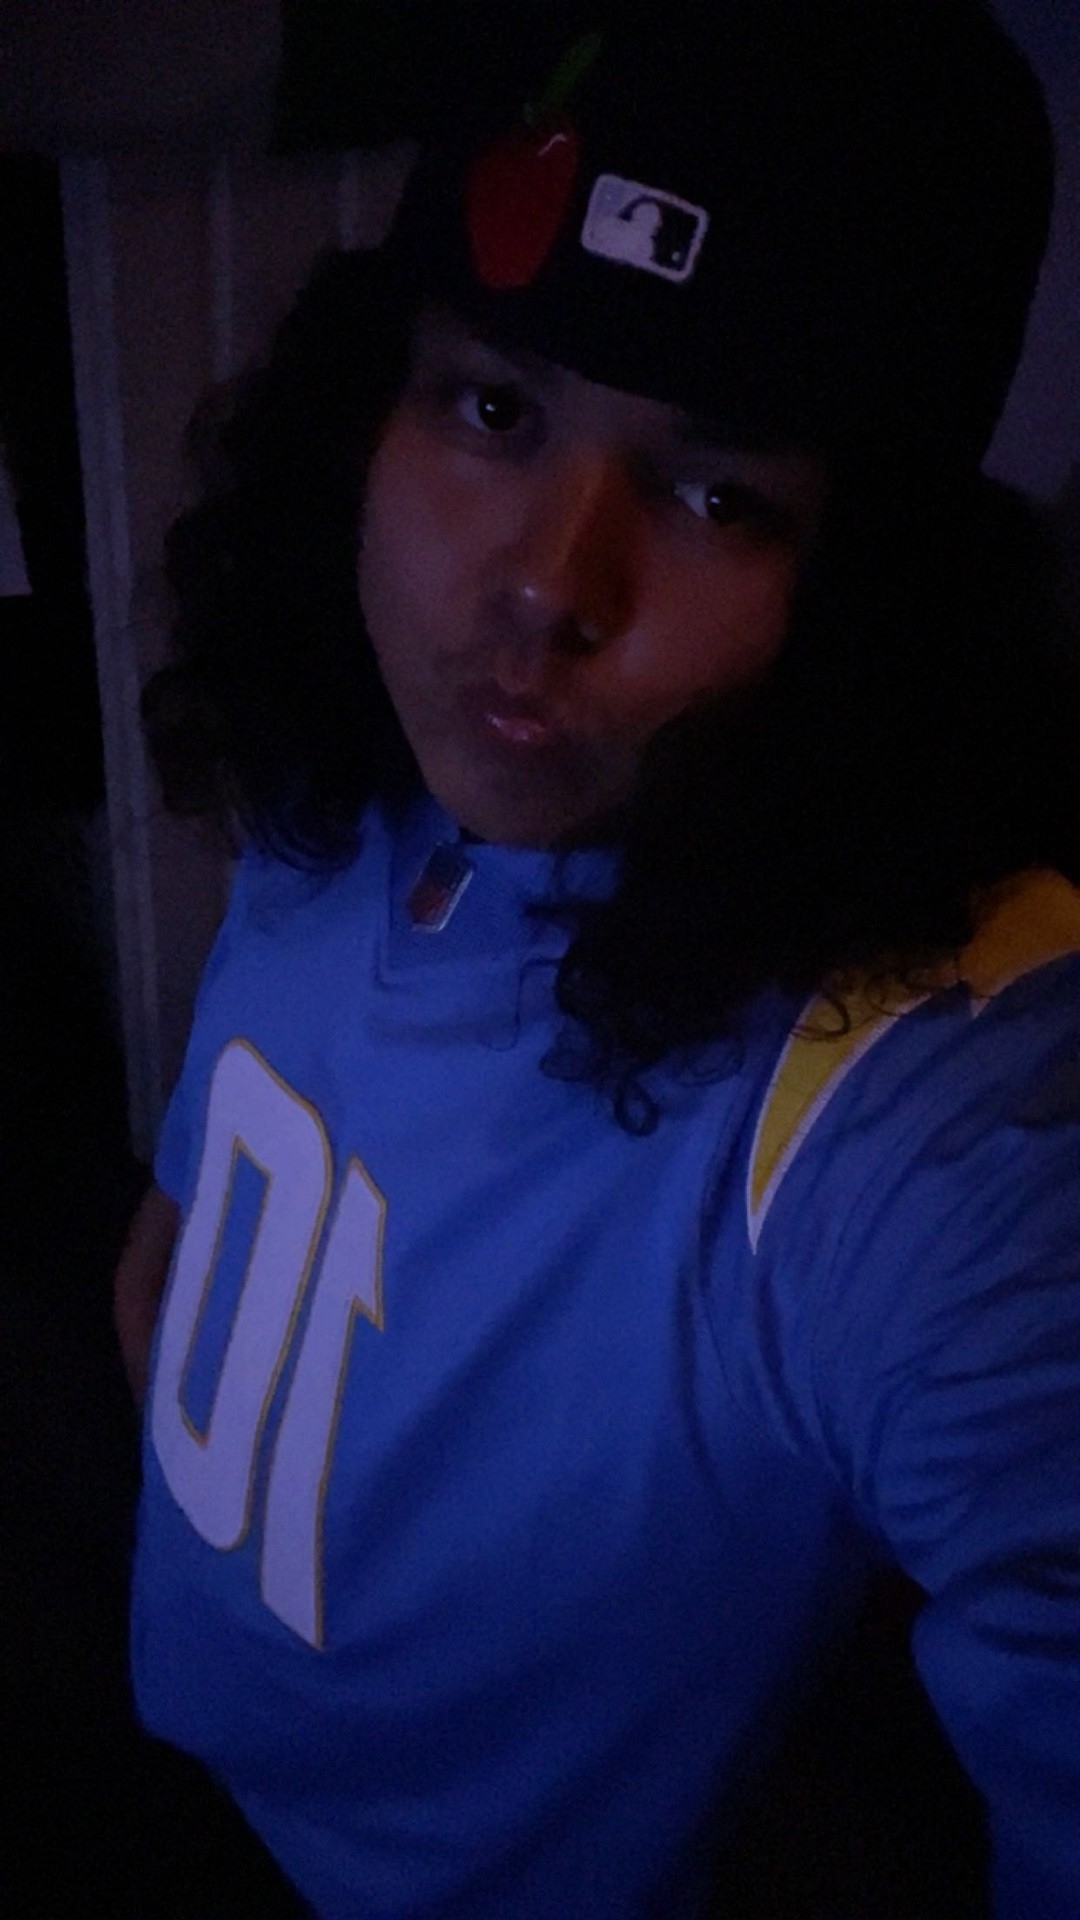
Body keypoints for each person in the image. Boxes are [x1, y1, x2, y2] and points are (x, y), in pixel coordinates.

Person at [115, 1, 1080, 1913]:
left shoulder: (906, 1114)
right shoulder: (364, 769)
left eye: (721, 496)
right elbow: (179, 1248)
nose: (550, 584)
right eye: (494, 408)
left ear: (867, 600)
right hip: (154, 1743)